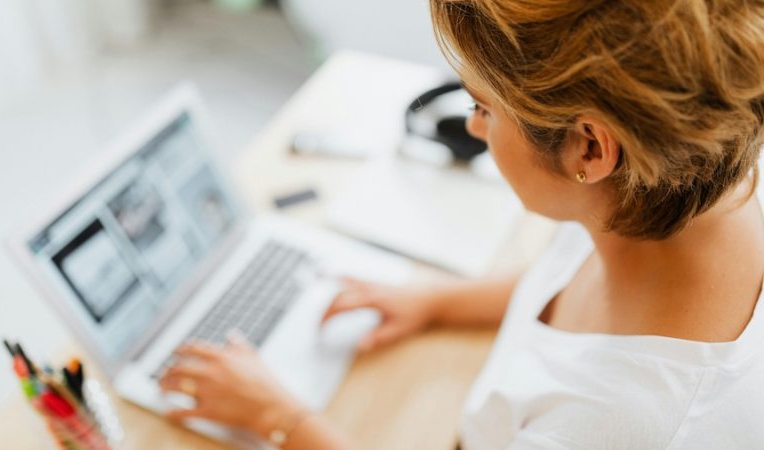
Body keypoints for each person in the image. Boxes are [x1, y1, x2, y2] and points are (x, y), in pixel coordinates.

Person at [159, 0, 764, 448]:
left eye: (483, 107)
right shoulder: (686, 178)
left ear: (588, 150)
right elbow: (564, 275)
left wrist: (281, 418)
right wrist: (437, 301)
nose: (474, 128)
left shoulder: (617, 427)